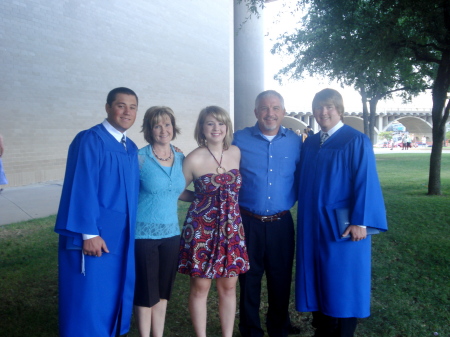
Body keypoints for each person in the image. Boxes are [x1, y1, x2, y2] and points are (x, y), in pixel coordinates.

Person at [295, 88, 388, 337]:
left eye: (329, 107)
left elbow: (365, 182)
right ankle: (322, 329)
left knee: (342, 280)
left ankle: (343, 332)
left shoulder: (355, 140)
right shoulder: (312, 142)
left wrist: (361, 221)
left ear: (339, 109)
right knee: (316, 276)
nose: (323, 112)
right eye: (318, 107)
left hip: (342, 225)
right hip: (312, 224)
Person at [54, 87, 140, 337]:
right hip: (96, 235)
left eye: (132, 107)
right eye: (121, 105)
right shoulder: (91, 139)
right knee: (89, 297)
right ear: (108, 107)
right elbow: (82, 185)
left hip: (121, 237)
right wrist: (88, 234)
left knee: (111, 293)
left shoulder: (130, 147)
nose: (127, 112)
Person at [233, 90, 302, 337]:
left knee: (280, 278)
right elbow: (214, 154)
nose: (269, 113)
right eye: (264, 108)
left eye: (275, 108)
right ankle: (251, 329)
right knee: (249, 279)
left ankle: (279, 326)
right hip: (247, 222)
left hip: (281, 222)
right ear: (255, 112)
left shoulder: (295, 142)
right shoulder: (238, 139)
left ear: (283, 112)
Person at [178, 106, 250, 337]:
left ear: (227, 127)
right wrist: (200, 199)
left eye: (220, 123)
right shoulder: (193, 158)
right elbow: (176, 191)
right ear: (201, 128)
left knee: (229, 287)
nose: (216, 128)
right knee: (201, 287)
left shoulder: (236, 153)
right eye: (210, 123)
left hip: (232, 230)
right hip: (202, 231)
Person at [134, 106, 194, 337]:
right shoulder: (139, 158)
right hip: (144, 235)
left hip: (171, 234)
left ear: (173, 127)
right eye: (157, 125)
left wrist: (206, 198)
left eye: (167, 124)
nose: (163, 129)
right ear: (149, 129)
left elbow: (176, 191)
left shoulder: (180, 158)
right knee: (146, 291)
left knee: (162, 290)